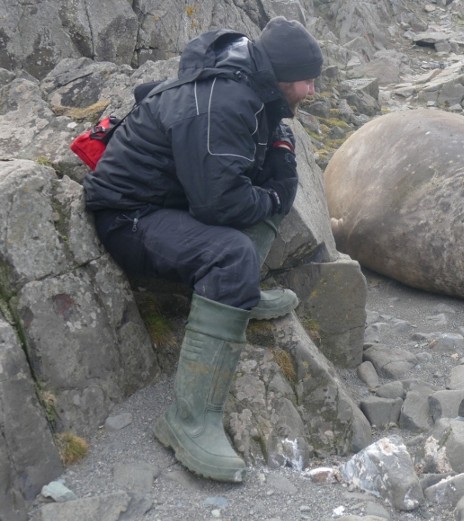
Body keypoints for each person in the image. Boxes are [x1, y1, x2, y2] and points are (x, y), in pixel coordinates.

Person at [83, 17, 323, 483]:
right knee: (231, 251)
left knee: (267, 199)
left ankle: (240, 293)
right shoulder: (224, 102)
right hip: (129, 215)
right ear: (281, 75)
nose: (312, 91)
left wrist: (279, 158)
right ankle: (188, 421)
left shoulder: (255, 90)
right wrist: (273, 194)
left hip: (170, 203)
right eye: (307, 80)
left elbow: (248, 178)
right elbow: (219, 205)